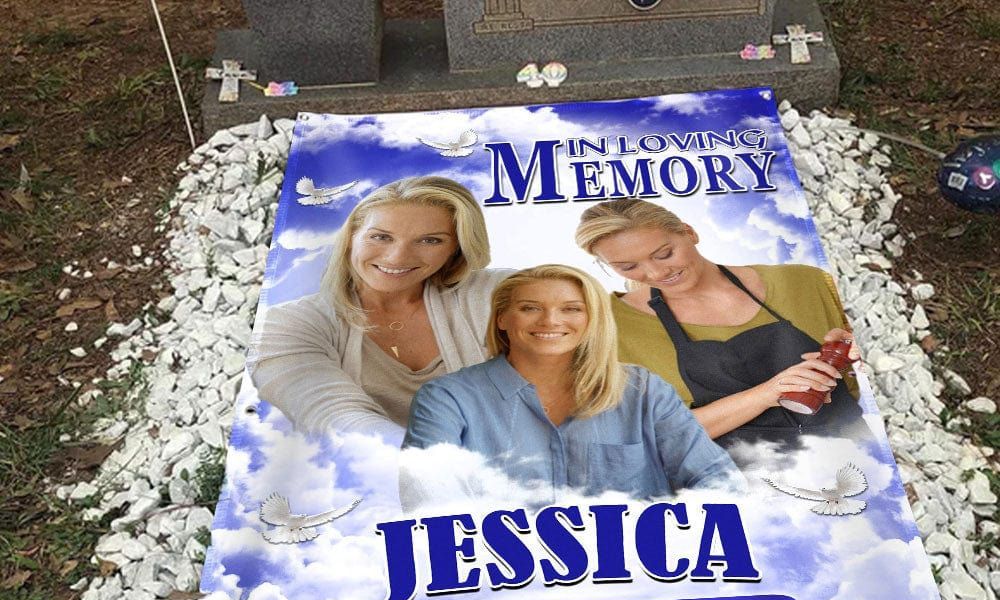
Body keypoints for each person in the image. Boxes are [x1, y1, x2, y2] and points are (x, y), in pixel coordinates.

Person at [402, 265, 740, 502]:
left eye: (571, 309)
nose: (550, 321)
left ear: (592, 320)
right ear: (502, 318)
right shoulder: (447, 398)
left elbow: (717, 480)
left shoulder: (643, 390)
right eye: (530, 308)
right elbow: (429, 499)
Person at [574, 199, 865, 450]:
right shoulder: (606, 327)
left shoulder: (805, 281)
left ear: (689, 232)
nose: (655, 273)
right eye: (628, 267)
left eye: (664, 254)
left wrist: (856, 356)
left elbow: (863, 374)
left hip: (856, 459)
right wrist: (765, 395)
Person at [249, 176, 510, 437]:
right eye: (381, 237)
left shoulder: (493, 294)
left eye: (430, 240)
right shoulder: (288, 324)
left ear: (456, 248)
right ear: (351, 237)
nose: (397, 257)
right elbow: (330, 413)